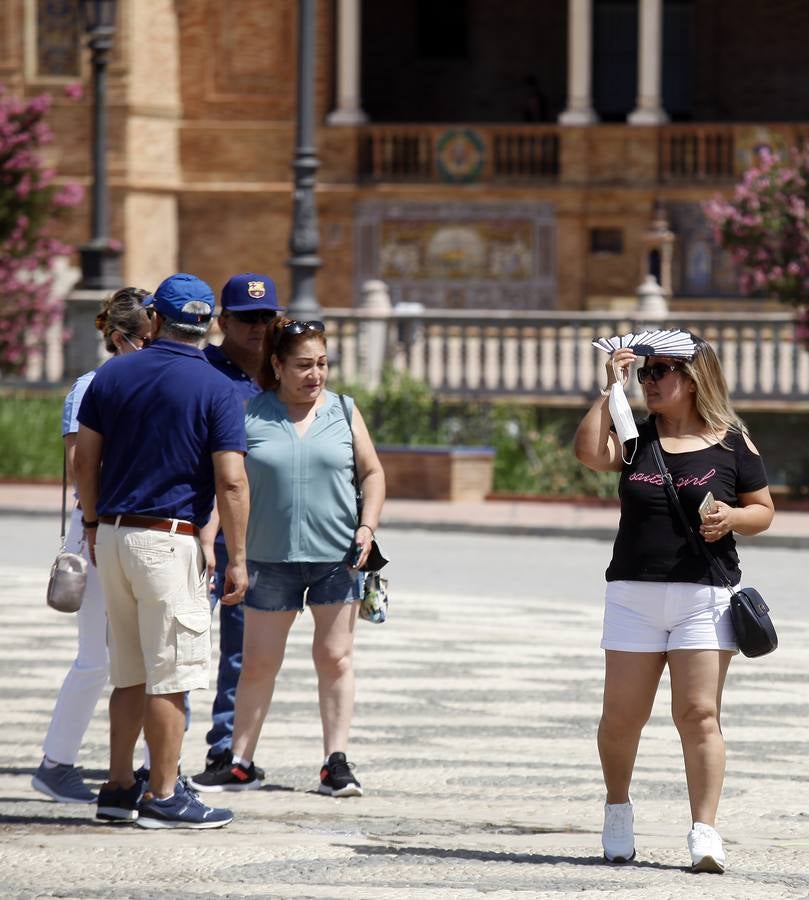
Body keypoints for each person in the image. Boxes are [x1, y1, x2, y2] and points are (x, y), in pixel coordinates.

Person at [573, 334, 774, 873]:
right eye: (646, 373)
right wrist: (608, 388)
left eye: (662, 371)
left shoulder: (732, 441)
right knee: (621, 717)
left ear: (694, 377)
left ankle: (705, 832)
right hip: (633, 595)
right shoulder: (636, 437)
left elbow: (763, 510)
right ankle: (618, 809)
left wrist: (731, 518)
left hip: (704, 595)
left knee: (699, 714)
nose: (651, 381)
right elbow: (591, 453)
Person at [74, 272, 250, 829]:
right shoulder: (217, 387)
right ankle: (165, 795)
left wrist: (95, 522)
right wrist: (238, 555)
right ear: (211, 325)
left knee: (129, 673)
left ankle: (119, 786)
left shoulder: (113, 373)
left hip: (118, 535)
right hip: (170, 539)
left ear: (155, 321)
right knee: (172, 675)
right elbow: (232, 481)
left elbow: (84, 460)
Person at [190, 318, 385, 797]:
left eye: (321, 363)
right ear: (276, 365)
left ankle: (335, 762)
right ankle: (239, 762)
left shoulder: (343, 409)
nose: (315, 374)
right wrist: (210, 539)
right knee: (257, 662)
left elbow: (373, 473)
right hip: (268, 557)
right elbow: (228, 486)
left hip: (337, 557)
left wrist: (367, 526)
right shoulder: (250, 413)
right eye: (303, 365)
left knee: (335, 657)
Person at [31, 288, 155, 804]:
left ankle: (154, 767)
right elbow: (81, 463)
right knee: (96, 658)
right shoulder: (90, 387)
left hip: (122, 523)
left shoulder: (139, 379)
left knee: (146, 655)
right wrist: (94, 523)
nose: (156, 345)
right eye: (149, 337)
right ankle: (57, 762)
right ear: (123, 338)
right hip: (97, 526)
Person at [192, 272, 282, 786]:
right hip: (200, 533)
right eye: (246, 318)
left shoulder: (280, 377)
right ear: (222, 322)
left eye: (266, 317)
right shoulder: (203, 371)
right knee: (182, 647)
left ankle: (225, 749)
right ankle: (155, 757)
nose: (257, 327)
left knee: (244, 652)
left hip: (253, 537)